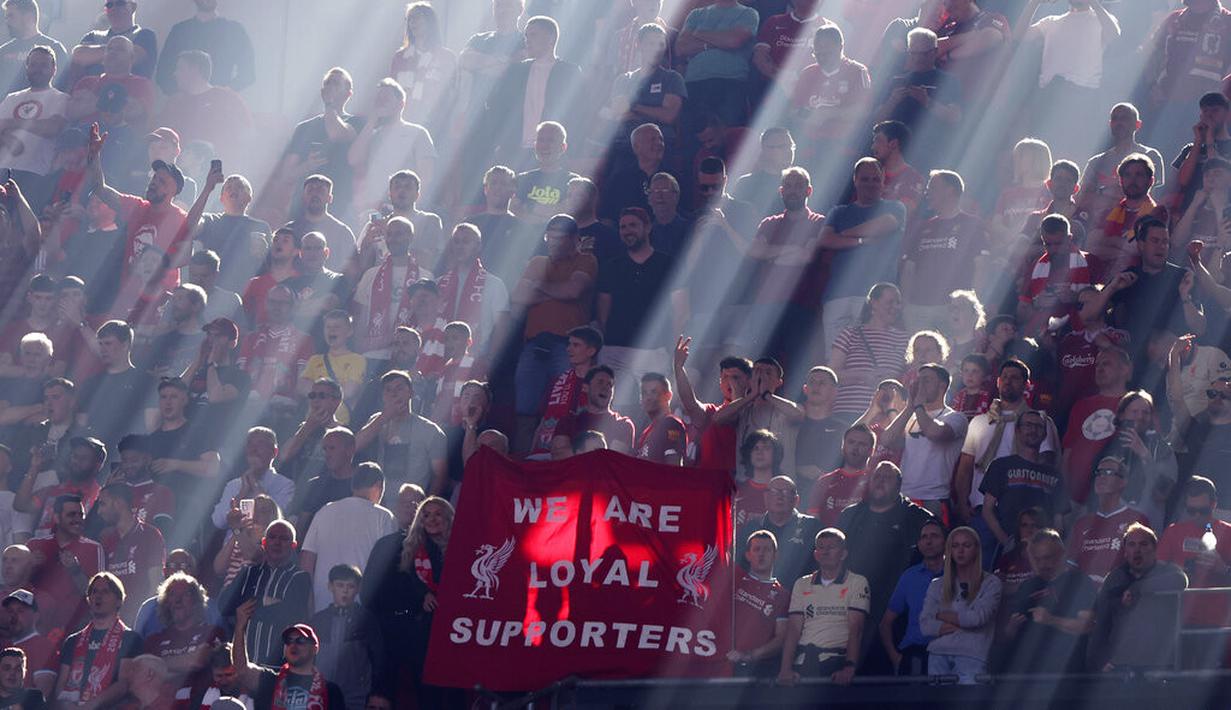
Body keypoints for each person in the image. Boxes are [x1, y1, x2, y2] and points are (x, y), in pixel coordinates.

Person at [511, 215, 597, 447]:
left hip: (568, 345)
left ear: (574, 239)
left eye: (560, 239)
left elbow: (573, 290)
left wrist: (537, 286)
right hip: (534, 343)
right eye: (550, 237)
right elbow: (518, 296)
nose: (553, 243)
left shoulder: (585, 260)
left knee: (566, 403)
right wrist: (557, 291)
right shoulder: (538, 261)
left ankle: (560, 457)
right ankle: (523, 461)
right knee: (525, 409)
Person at [819, 158, 907, 358]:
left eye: (876, 179)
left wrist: (844, 234)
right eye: (865, 179)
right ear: (855, 180)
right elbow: (824, 239)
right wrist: (861, 241)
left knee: (869, 358)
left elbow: (885, 224)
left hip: (873, 297)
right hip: (837, 296)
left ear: (883, 181)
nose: (871, 183)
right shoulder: (839, 211)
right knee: (834, 360)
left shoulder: (895, 207)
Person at [482, 15, 582, 167]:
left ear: (551, 38)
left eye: (533, 35)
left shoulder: (569, 72)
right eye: (526, 35)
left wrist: (572, 149)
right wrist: (498, 142)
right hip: (514, 150)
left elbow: (577, 112)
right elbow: (498, 108)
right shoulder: (514, 71)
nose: (527, 40)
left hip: (553, 152)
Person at [596, 207, 673, 401]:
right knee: (610, 406)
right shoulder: (611, 266)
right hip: (615, 349)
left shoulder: (667, 263)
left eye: (633, 225)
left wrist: (671, 346)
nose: (627, 230)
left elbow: (680, 309)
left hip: (653, 349)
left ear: (647, 228)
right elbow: (603, 309)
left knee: (653, 406)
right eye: (623, 227)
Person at [1087, 523, 1188, 671]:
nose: (1137, 550)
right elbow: (1102, 622)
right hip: (1121, 664)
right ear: (1125, 551)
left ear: (1154, 548)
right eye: (1132, 545)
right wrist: (1097, 662)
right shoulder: (1115, 578)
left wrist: (1137, 588)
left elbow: (1180, 580)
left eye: (1143, 544)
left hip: (1160, 664)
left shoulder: (1168, 571)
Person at [777, 529, 869, 686]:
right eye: (821, 547)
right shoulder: (802, 583)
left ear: (843, 554)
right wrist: (785, 669)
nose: (825, 552)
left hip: (837, 662)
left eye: (831, 547)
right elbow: (793, 628)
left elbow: (857, 628)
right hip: (803, 661)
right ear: (815, 554)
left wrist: (849, 667)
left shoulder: (857, 582)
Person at [300, 463, 396, 613]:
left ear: (353, 485)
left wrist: (309, 601)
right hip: (363, 612)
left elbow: (306, 560)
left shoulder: (324, 511)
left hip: (322, 606)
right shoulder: (384, 517)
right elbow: (388, 565)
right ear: (379, 486)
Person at [901, 170, 988, 333]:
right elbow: (909, 268)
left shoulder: (972, 225)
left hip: (954, 308)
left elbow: (981, 266)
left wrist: (973, 303)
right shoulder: (923, 227)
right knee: (919, 357)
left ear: (951, 190)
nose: (927, 192)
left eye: (932, 187)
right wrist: (905, 304)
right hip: (918, 307)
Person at [1157, 476, 1231, 667]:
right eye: (1191, 511)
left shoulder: (1228, 532)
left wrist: (1223, 568)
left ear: (1214, 504)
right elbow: (1156, 573)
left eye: (1203, 511)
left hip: (1219, 623)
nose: (1197, 516)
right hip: (1180, 620)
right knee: (1180, 679)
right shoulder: (1174, 532)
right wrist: (1178, 572)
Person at [1000, 528, 1097, 674]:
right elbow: (1008, 635)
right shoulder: (1028, 586)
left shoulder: (1079, 582)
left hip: (1067, 673)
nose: (1042, 564)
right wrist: (1011, 628)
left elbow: (1088, 626)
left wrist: (1050, 620)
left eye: (1047, 558)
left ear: (1062, 555)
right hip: (1028, 674)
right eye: (1037, 559)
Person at [881, 363, 968, 517]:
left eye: (926, 380)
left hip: (935, 499)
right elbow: (887, 440)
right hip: (904, 496)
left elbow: (935, 433)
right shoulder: (912, 416)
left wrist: (918, 405)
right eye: (918, 380)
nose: (920, 385)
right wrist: (909, 407)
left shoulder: (955, 417)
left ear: (942, 385)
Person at [919, 526, 1002, 684]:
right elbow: (925, 625)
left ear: (976, 549)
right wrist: (962, 625)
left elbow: (977, 618)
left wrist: (941, 615)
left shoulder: (991, 583)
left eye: (966, 545)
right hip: (938, 654)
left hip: (972, 655)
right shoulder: (937, 584)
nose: (960, 551)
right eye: (955, 546)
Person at [52, 572, 142, 707]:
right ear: (88, 599)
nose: (98, 596)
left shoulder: (130, 638)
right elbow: (60, 687)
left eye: (105, 592)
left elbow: (123, 684)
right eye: (94, 592)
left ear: (119, 601)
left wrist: (90, 706)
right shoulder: (73, 641)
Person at [283, 68, 361, 221]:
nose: (330, 87)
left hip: (340, 206)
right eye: (327, 83)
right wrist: (307, 166)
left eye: (336, 83)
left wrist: (329, 106)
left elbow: (336, 133)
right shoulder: (304, 128)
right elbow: (287, 174)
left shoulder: (357, 123)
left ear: (348, 94)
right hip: (304, 208)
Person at [231, 607, 345, 709]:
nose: (293, 645)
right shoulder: (270, 681)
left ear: (315, 649)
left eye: (300, 641)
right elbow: (241, 669)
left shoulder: (331, 691)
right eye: (288, 641)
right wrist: (240, 627)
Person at [355, 371, 447, 497]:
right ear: (383, 396)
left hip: (411, 505)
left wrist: (425, 507)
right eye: (388, 390)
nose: (394, 393)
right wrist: (385, 416)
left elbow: (441, 476)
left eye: (399, 388)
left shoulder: (430, 430)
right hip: (380, 502)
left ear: (411, 393)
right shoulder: (377, 421)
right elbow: (354, 446)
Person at [1061, 346, 1132, 506]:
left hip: (1120, 504)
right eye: (1097, 365)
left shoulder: (1136, 404)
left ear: (1125, 369)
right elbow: (1067, 455)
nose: (1099, 369)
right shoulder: (1081, 406)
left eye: (1106, 364)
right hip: (1078, 503)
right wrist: (1067, 498)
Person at [155, 50, 252, 164]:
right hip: (179, 171)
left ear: (195, 70)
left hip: (218, 169)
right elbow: (159, 137)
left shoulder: (227, 98)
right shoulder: (174, 102)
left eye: (180, 68)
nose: (175, 74)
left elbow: (246, 133)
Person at [401, 496, 453, 706]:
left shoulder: (464, 546)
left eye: (438, 514)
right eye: (426, 515)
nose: (432, 519)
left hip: (454, 629)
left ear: (449, 518)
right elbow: (404, 586)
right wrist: (422, 595)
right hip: (423, 629)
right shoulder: (411, 548)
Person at [714, 358, 804, 480]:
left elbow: (797, 415)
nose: (761, 376)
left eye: (767, 373)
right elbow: (718, 419)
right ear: (750, 379)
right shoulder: (743, 409)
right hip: (745, 485)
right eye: (757, 372)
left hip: (779, 486)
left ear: (778, 382)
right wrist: (752, 395)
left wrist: (767, 395)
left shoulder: (785, 409)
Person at [27, 494, 104, 635]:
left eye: (81, 515)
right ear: (56, 518)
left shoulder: (94, 548)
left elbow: (99, 596)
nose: (78, 520)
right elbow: (16, 587)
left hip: (75, 629)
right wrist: (28, 566)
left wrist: (75, 570)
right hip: (35, 629)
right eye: (71, 515)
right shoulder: (35, 545)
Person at [830, 283, 910, 418]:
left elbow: (909, 376)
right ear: (873, 302)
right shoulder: (850, 334)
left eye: (898, 303)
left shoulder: (905, 339)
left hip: (886, 415)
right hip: (848, 413)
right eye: (890, 302)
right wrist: (863, 375)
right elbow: (831, 375)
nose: (896, 307)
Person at [141, 573, 223, 703]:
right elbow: (143, 674)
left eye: (185, 594)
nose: (178, 600)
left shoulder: (212, 632)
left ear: (196, 601)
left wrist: (159, 667)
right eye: (172, 594)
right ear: (166, 602)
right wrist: (182, 663)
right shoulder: (153, 641)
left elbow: (197, 661)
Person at [675, 0, 759, 127]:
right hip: (694, 84)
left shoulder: (748, 13)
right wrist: (720, 41)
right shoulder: (696, 14)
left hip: (730, 84)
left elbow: (734, 41)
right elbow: (681, 48)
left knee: (728, 137)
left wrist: (699, 34)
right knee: (693, 136)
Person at [309, 564, 383, 709]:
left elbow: (378, 657)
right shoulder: (318, 620)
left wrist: (375, 691)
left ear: (357, 589)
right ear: (330, 586)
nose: (345, 591)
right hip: (322, 693)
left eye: (350, 586)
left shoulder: (366, 619)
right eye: (340, 585)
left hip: (356, 696)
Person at [1067, 456, 1149, 584]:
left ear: (1123, 482)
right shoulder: (1082, 523)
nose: (1101, 477)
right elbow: (1070, 567)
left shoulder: (1136, 520)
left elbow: (1144, 567)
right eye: (1099, 473)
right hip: (1083, 597)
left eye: (1109, 473)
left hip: (1118, 594)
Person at [879, 519, 946, 676]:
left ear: (946, 541)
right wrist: (896, 658)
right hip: (915, 655)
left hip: (951, 654)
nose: (928, 541)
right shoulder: (909, 576)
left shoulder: (960, 572)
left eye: (934, 536)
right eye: (924, 537)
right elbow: (885, 623)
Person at [0, 46, 67, 199]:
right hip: (2, 170)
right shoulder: (12, 98)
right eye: (34, 64)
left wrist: (12, 123)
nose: (38, 69)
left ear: (54, 69)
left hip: (36, 174)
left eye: (44, 65)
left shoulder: (61, 98)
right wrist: (9, 140)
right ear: (27, 67)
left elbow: (52, 128)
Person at [671, 340, 748, 472]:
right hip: (707, 484)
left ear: (748, 380)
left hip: (740, 486)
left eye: (735, 377)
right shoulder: (712, 412)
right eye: (725, 377)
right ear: (719, 383)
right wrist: (679, 368)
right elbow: (690, 403)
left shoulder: (756, 410)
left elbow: (736, 416)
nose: (729, 382)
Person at [95, 482, 163, 624]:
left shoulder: (150, 534)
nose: (98, 512)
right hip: (113, 623)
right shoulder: (105, 540)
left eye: (103, 504)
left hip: (140, 621)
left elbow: (155, 584)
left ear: (118, 503)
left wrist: (143, 620)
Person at [155, 0, 255, 94]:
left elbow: (248, 73)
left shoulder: (234, 30)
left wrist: (223, 94)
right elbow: (162, 74)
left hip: (219, 106)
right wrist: (181, 97)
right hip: (186, 106)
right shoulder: (180, 31)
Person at [737, 475, 821, 585]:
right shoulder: (752, 528)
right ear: (765, 497)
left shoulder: (812, 527)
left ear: (796, 499)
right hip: (759, 596)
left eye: (786, 492)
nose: (780, 497)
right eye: (774, 492)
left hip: (802, 595)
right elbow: (739, 567)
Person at [209, 427, 295, 532]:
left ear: (274, 452)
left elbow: (276, 519)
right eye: (250, 444)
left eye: (260, 444)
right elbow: (218, 522)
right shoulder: (234, 485)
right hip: (233, 544)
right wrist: (241, 494)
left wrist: (255, 486)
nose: (253, 449)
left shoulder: (286, 485)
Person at [728, 530, 787, 677]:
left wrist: (750, 655)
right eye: (756, 549)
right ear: (748, 555)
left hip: (759, 671)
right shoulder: (734, 582)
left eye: (767, 549)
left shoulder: (783, 595)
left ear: (776, 555)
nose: (761, 554)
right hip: (723, 665)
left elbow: (781, 638)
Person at [64, 0, 157, 86]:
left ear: (133, 7)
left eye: (120, 3)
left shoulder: (146, 36)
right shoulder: (92, 36)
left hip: (127, 98)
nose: (114, 8)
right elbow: (78, 56)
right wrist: (120, 51)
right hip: (90, 98)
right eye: (109, 5)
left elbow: (136, 56)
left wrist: (92, 55)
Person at [549, 366, 635, 457]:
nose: (605, 388)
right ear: (585, 388)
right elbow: (558, 455)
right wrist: (597, 452)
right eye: (600, 382)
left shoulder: (623, 424)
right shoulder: (568, 421)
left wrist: (578, 451)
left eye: (610, 385)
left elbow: (614, 459)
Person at [283, 174, 356, 275]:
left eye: (320, 190)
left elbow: (351, 269)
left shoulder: (342, 232)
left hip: (329, 289)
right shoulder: (289, 230)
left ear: (329, 198)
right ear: (303, 197)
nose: (315, 194)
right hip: (293, 288)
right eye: (310, 190)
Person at [806, 424, 874, 526]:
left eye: (862, 444)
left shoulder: (875, 481)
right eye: (851, 442)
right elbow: (812, 519)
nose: (855, 447)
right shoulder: (824, 481)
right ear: (842, 446)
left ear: (871, 451)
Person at [0, 0, 66, 93]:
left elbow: (63, 86)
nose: (7, 22)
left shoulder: (54, 49)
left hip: (42, 105)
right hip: (7, 106)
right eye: (6, 17)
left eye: (11, 16)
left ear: (29, 17)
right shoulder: (3, 51)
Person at [2, 589, 56, 697]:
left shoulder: (42, 646)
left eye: (20, 611)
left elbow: (42, 695)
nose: (14, 616)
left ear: (36, 616)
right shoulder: (6, 647)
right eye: (10, 611)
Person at [634, 372, 686, 466]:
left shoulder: (671, 424)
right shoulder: (646, 432)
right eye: (644, 393)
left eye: (654, 392)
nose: (648, 397)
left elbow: (674, 467)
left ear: (668, 396)